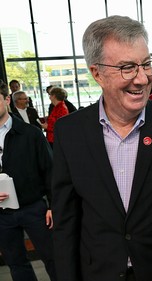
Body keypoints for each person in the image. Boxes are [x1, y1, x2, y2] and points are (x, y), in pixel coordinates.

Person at [51, 15, 152, 281]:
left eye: (146, 64)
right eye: (127, 67)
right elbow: (66, 220)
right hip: (99, 272)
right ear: (97, 73)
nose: (142, 78)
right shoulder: (70, 132)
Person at [0, 80, 56, 281]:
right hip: (2, 215)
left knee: (53, 259)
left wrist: (53, 205)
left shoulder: (30, 133)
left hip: (34, 209)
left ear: (7, 99)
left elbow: (50, 171)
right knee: (16, 264)